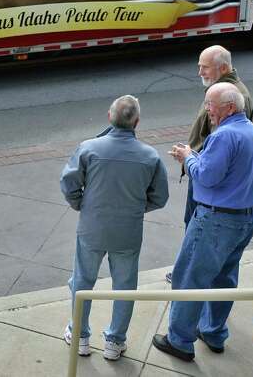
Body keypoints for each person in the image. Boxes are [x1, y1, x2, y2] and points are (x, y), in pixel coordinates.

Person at [153, 83, 253, 362]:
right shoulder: (252, 131)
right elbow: (229, 172)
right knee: (224, 277)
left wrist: (188, 157)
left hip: (216, 221)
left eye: (210, 104)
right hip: (245, 219)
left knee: (190, 276)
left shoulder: (224, 136)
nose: (207, 110)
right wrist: (199, 158)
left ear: (229, 107)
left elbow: (207, 177)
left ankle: (179, 341)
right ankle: (213, 332)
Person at [59, 95, 169, 361]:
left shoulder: (89, 148)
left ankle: (80, 336)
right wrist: (136, 209)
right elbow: (160, 197)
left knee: (83, 281)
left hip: (92, 227)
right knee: (125, 285)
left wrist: (81, 204)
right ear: (137, 122)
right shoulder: (150, 156)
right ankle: (114, 342)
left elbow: (68, 182)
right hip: (127, 231)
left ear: (109, 117)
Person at [167, 45, 253, 283]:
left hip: (209, 185)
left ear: (223, 68)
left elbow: (218, 150)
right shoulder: (221, 92)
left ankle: (190, 277)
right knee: (194, 227)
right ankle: (190, 273)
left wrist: (189, 158)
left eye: (204, 67)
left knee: (199, 232)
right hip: (204, 175)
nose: (199, 72)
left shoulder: (231, 97)